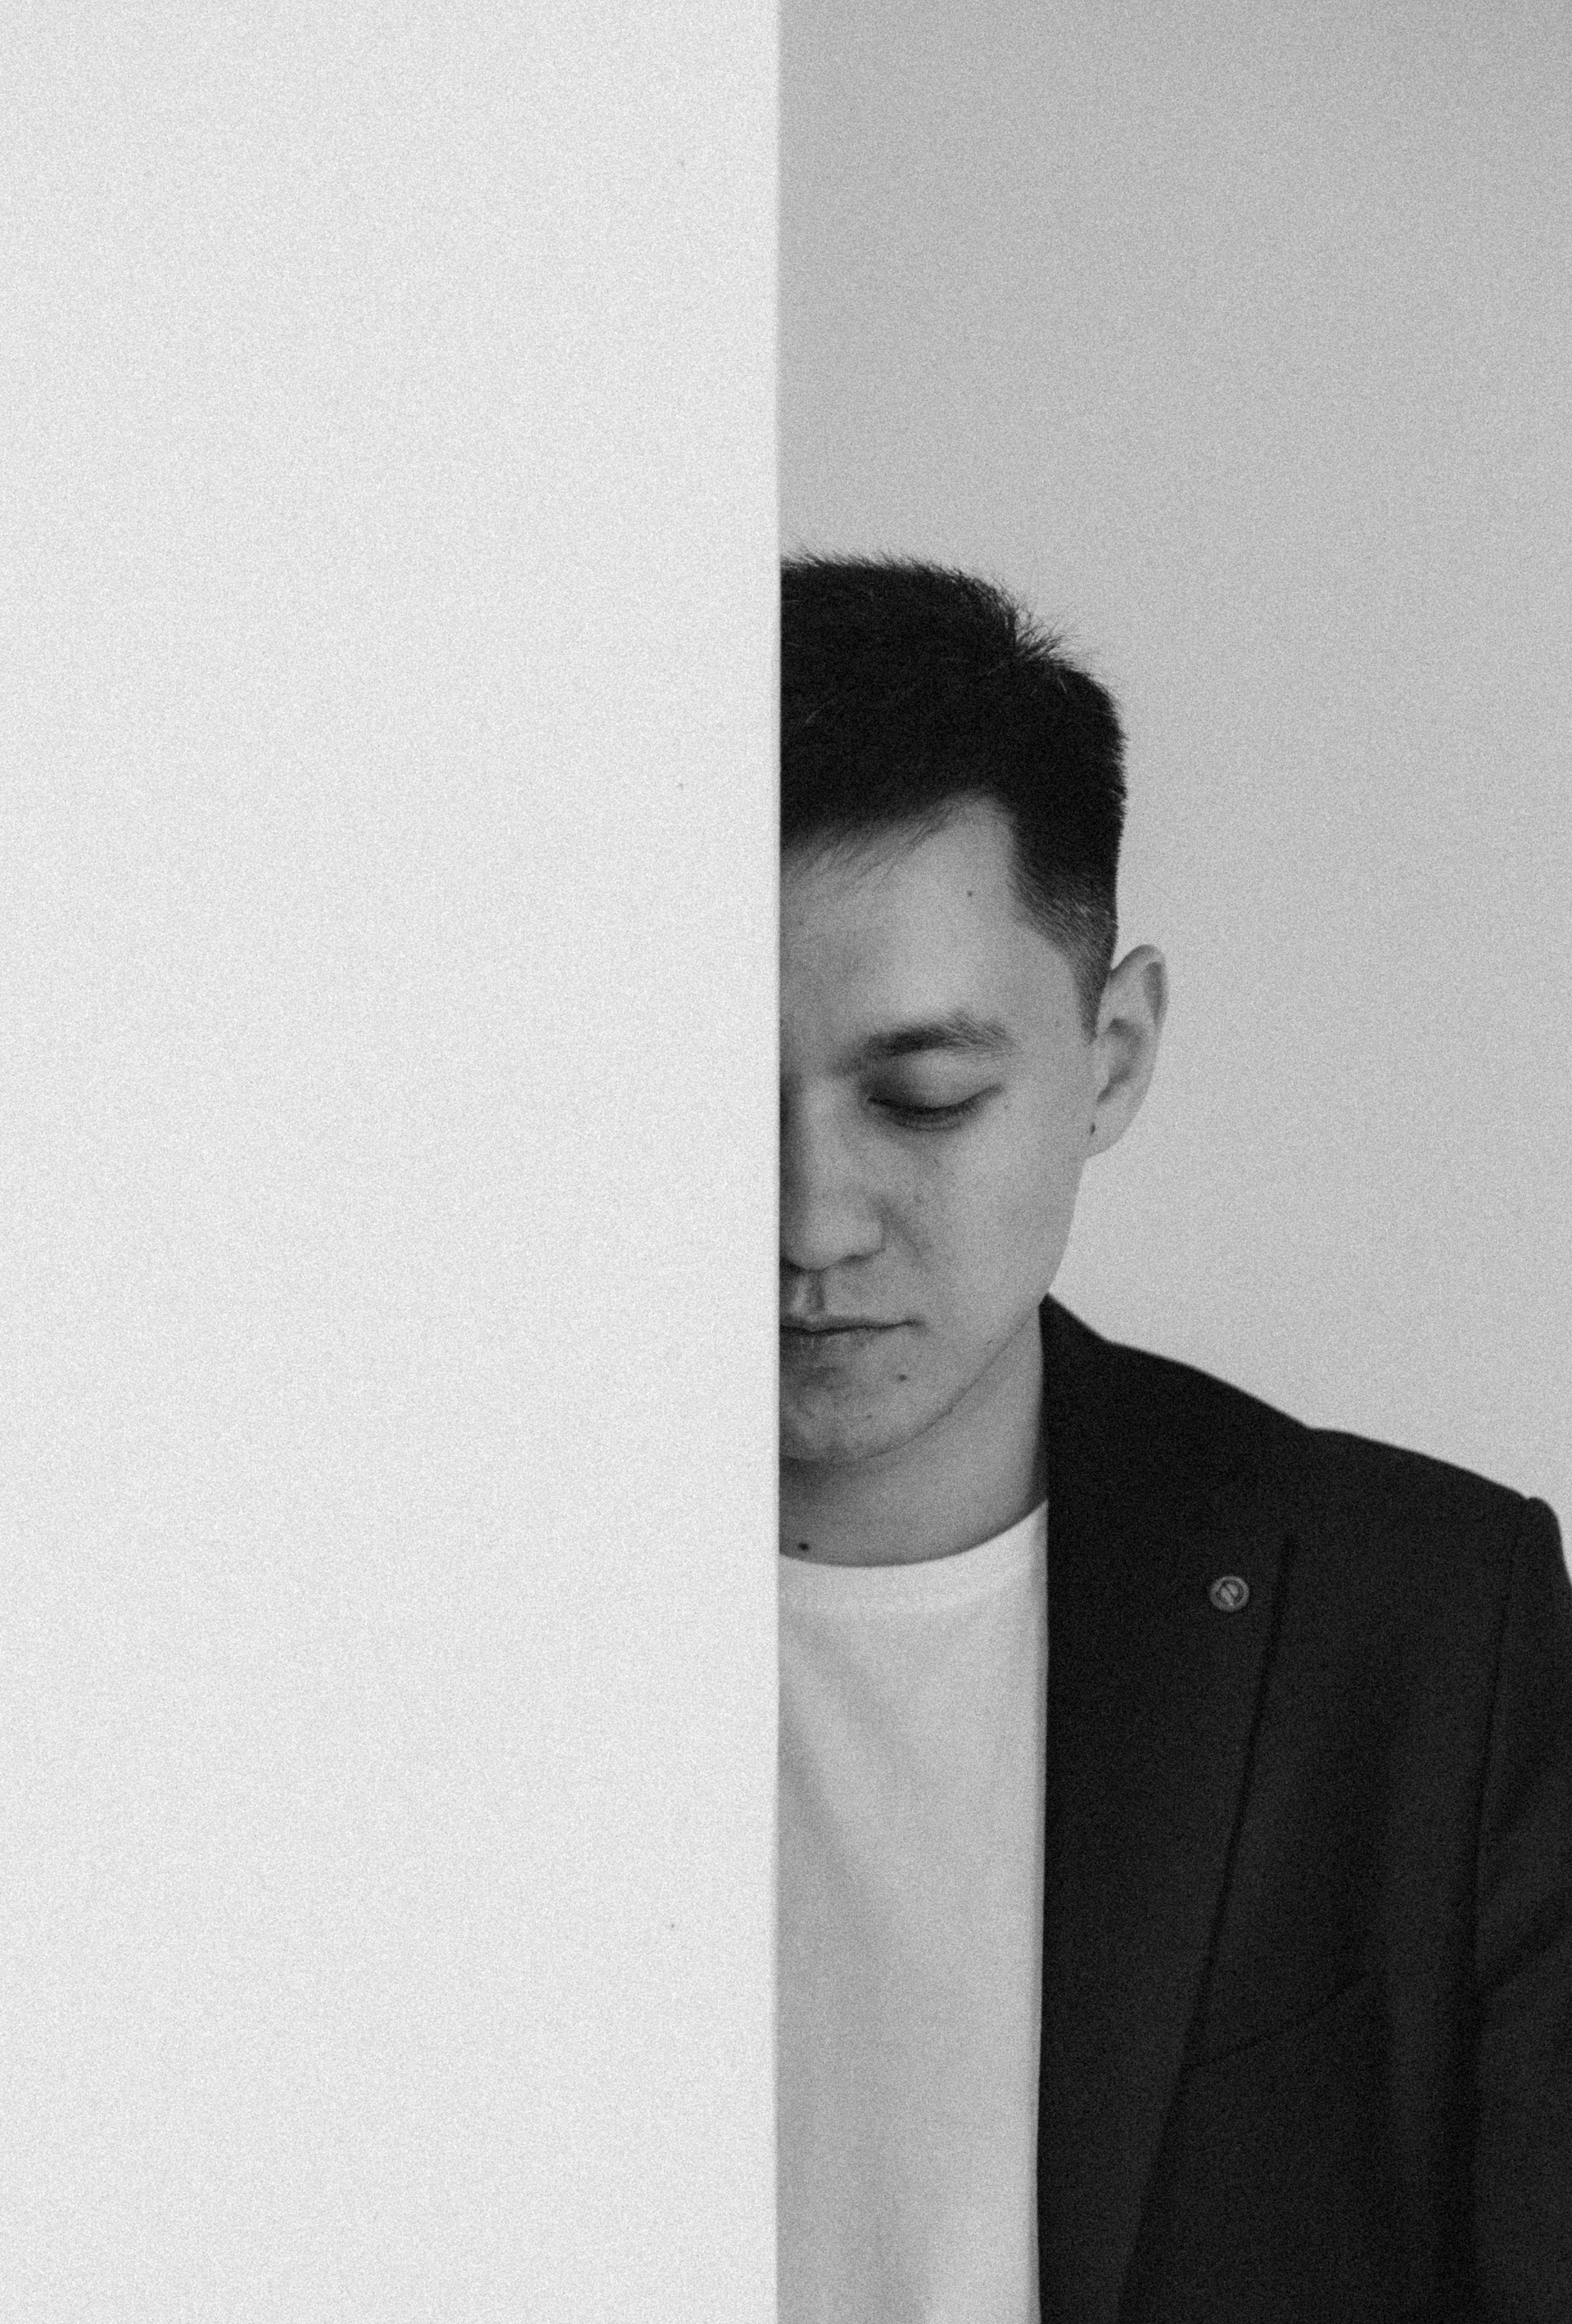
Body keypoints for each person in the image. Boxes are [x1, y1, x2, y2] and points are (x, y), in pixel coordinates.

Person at [775, 554, 1572, 2324]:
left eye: (922, 1099)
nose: (811, 1219)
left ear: (1114, 1054)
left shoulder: (1425, 1626)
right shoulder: (391, 1604)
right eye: (704, 1097)